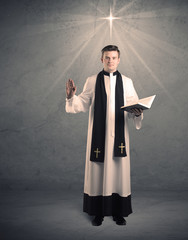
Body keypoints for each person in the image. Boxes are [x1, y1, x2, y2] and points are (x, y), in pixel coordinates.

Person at [65, 45, 143, 226]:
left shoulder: (127, 81)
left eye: (114, 57)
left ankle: (118, 212)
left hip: (119, 137)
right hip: (98, 138)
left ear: (119, 59)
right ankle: (97, 212)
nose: (110, 61)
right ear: (101, 60)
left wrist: (138, 112)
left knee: (118, 173)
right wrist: (71, 97)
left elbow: (133, 106)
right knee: (98, 172)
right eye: (107, 58)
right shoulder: (92, 81)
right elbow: (82, 103)